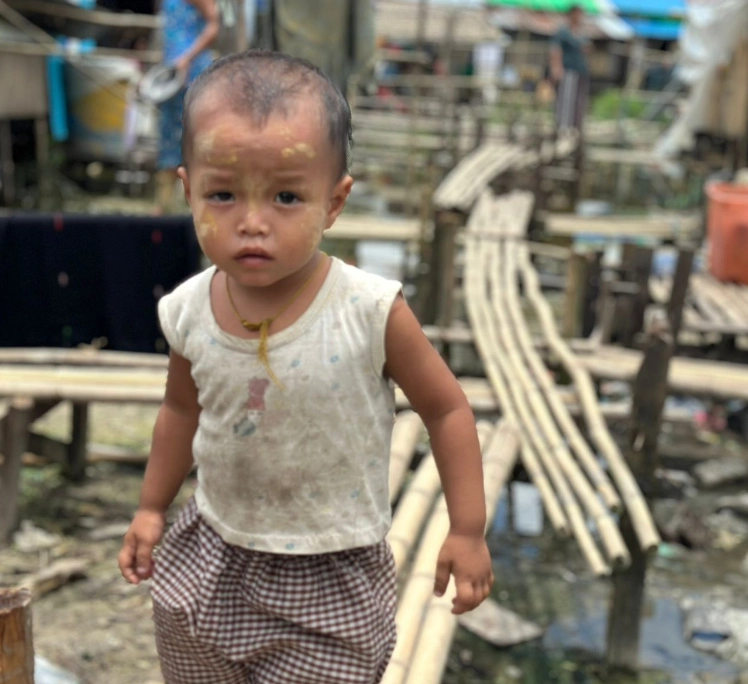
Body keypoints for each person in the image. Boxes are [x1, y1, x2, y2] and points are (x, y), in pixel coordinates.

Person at [118, 50, 493, 683]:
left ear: (336, 201)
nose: (253, 222)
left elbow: (447, 408)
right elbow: (181, 410)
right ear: (188, 190)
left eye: (288, 196)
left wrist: (468, 528)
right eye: (223, 195)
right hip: (213, 556)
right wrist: (153, 508)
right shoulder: (188, 309)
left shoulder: (369, 310)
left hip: (332, 573)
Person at [154, 0, 219, 214]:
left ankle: (200, 206)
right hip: (172, 76)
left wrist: (187, 58)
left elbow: (213, 26)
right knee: (169, 138)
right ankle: (163, 205)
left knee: (195, 139)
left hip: (193, 73)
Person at [549, 5, 590, 133]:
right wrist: (556, 68)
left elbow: (586, 49)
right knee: (566, 97)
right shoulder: (563, 32)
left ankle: (574, 126)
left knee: (578, 99)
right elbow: (555, 50)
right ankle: (563, 126)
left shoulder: (580, 33)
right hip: (568, 69)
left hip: (580, 70)